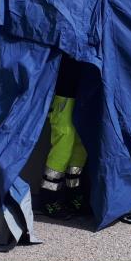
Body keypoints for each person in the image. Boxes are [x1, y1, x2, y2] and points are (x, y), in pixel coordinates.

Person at [39, 53, 87, 219]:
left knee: (80, 143)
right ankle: (48, 199)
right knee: (64, 143)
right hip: (64, 94)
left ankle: (74, 194)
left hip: (84, 91)